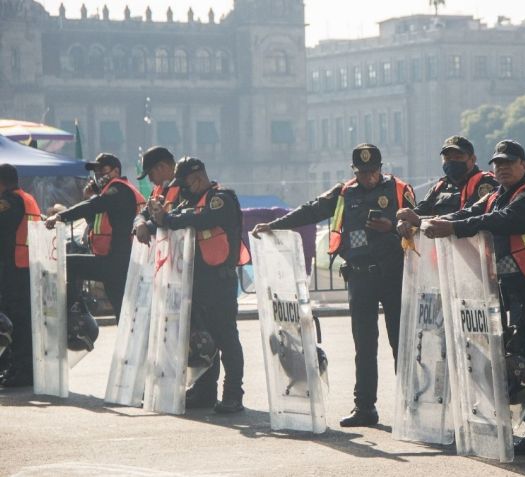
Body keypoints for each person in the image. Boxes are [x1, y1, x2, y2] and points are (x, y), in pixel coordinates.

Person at [423, 139, 525, 461]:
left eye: (509, 162)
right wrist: (418, 218)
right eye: (498, 163)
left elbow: (504, 221)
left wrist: (451, 227)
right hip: (519, 296)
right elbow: (470, 212)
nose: (502, 168)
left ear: (524, 165)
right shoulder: (496, 197)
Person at [252, 144, 415, 427]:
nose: (368, 178)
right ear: (354, 171)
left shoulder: (400, 189)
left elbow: (416, 225)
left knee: (400, 343)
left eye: (373, 172)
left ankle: (411, 408)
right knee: (364, 346)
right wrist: (275, 225)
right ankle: (364, 408)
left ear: (381, 168)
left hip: (393, 275)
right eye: (362, 172)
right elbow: (310, 210)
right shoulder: (344, 192)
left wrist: (390, 226)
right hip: (360, 276)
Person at [151, 157, 249, 413]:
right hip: (197, 283)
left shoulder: (221, 198)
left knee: (226, 337)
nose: (182, 190)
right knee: (203, 340)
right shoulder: (191, 201)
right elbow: (176, 215)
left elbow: (201, 219)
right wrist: (154, 219)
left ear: (197, 179)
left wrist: (170, 219)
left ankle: (233, 394)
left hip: (220, 282)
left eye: (185, 184)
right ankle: (205, 392)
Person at [44, 153, 145, 322]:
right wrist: (92, 195)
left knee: (68, 263)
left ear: (116, 171)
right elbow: (95, 218)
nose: (98, 175)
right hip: (113, 259)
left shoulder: (118, 189)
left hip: (117, 260)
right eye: (96, 172)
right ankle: (127, 343)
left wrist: (60, 216)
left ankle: (76, 311)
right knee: (121, 306)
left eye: (103, 170)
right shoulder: (110, 193)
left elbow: (93, 206)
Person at [396, 135, 497, 237]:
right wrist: (404, 220)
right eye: (447, 158)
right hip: (442, 250)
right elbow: (420, 211)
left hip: (473, 250)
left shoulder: (485, 183)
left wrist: (419, 221)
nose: (452, 161)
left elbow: (468, 215)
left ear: (472, 159)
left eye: (458, 157)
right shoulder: (439, 187)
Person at [0, 164, 41, 387]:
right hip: (27, 266)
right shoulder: (28, 199)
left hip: (15, 267)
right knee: (23, 321)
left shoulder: (10, 201)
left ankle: (21, 370)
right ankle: (22, 368)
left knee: (15, 321)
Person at [133, 146, 179, 245]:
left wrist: (147, 227)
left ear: (162, 167)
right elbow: (142, 214)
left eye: (150, 174)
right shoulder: (158, 190)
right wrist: (140, 223)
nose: (149, 179)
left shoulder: (185, 186)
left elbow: (176, 219)